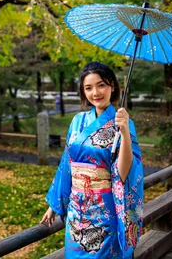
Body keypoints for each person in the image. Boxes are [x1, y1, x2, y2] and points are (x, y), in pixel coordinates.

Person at [40, 61, 143, 258]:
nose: (95, 92)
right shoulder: (77, 121)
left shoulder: (123, 123)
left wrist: (125, 134)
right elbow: (66, 165)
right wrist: (55, 205)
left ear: (112, 86)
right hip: (76, 211)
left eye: (101, 85)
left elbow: (123, 173)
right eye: (89, 87)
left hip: (104, 210)